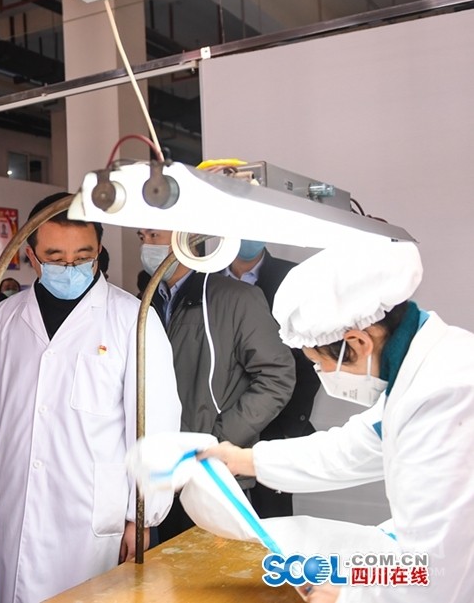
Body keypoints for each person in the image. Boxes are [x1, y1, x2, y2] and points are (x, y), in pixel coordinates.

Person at [201, 241, 474, 603]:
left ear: (357, 342)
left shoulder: (444, 396)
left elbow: (438, 571)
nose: (322, 373)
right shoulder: (420, 371)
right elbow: (353, 447)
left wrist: (347, 595)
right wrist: (244, 460)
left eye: (320, 363)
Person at [0, 193, 181, 603]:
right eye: (56, 258)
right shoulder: (4, 316)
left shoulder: (132, 318)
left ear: (99, 249)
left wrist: (142, 516)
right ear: (31, 255)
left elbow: (156, 425)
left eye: (82, 256)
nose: (71, 267)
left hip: (91, 513)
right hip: (14, 496)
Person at [137, 228, 295, 542]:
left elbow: (277, 376)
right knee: (159, 569)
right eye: (142, 237)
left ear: (186, 238)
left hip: (212, 475)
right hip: (157, 476)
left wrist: (219, 440)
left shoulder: (236, 298)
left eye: (154, 235)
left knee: (213, 568)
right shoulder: (144, 302)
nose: (146, 246)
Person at [223, 240, 320, 518]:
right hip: (221, 419)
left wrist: (290, 426)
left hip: (275, 423)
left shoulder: (294, 278)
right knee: (217, 522)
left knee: (272, 520)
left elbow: (308, 361)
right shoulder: (206, 278)